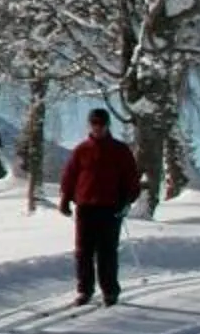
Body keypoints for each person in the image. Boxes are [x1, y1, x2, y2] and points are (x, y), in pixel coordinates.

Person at [57, 107, 143, 308]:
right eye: (94, 123)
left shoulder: (120, 150)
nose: (98, 127)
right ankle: (85, 290)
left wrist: (128, 200)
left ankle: (110, 291)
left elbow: (132, 179)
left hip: (111, 208)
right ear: (90, 125)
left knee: (107, 252)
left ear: (107, 125)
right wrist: (65, 199)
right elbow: (69, 177)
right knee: (83, 252)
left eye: (101, 124)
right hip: (86, 207)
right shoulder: (81, 150)